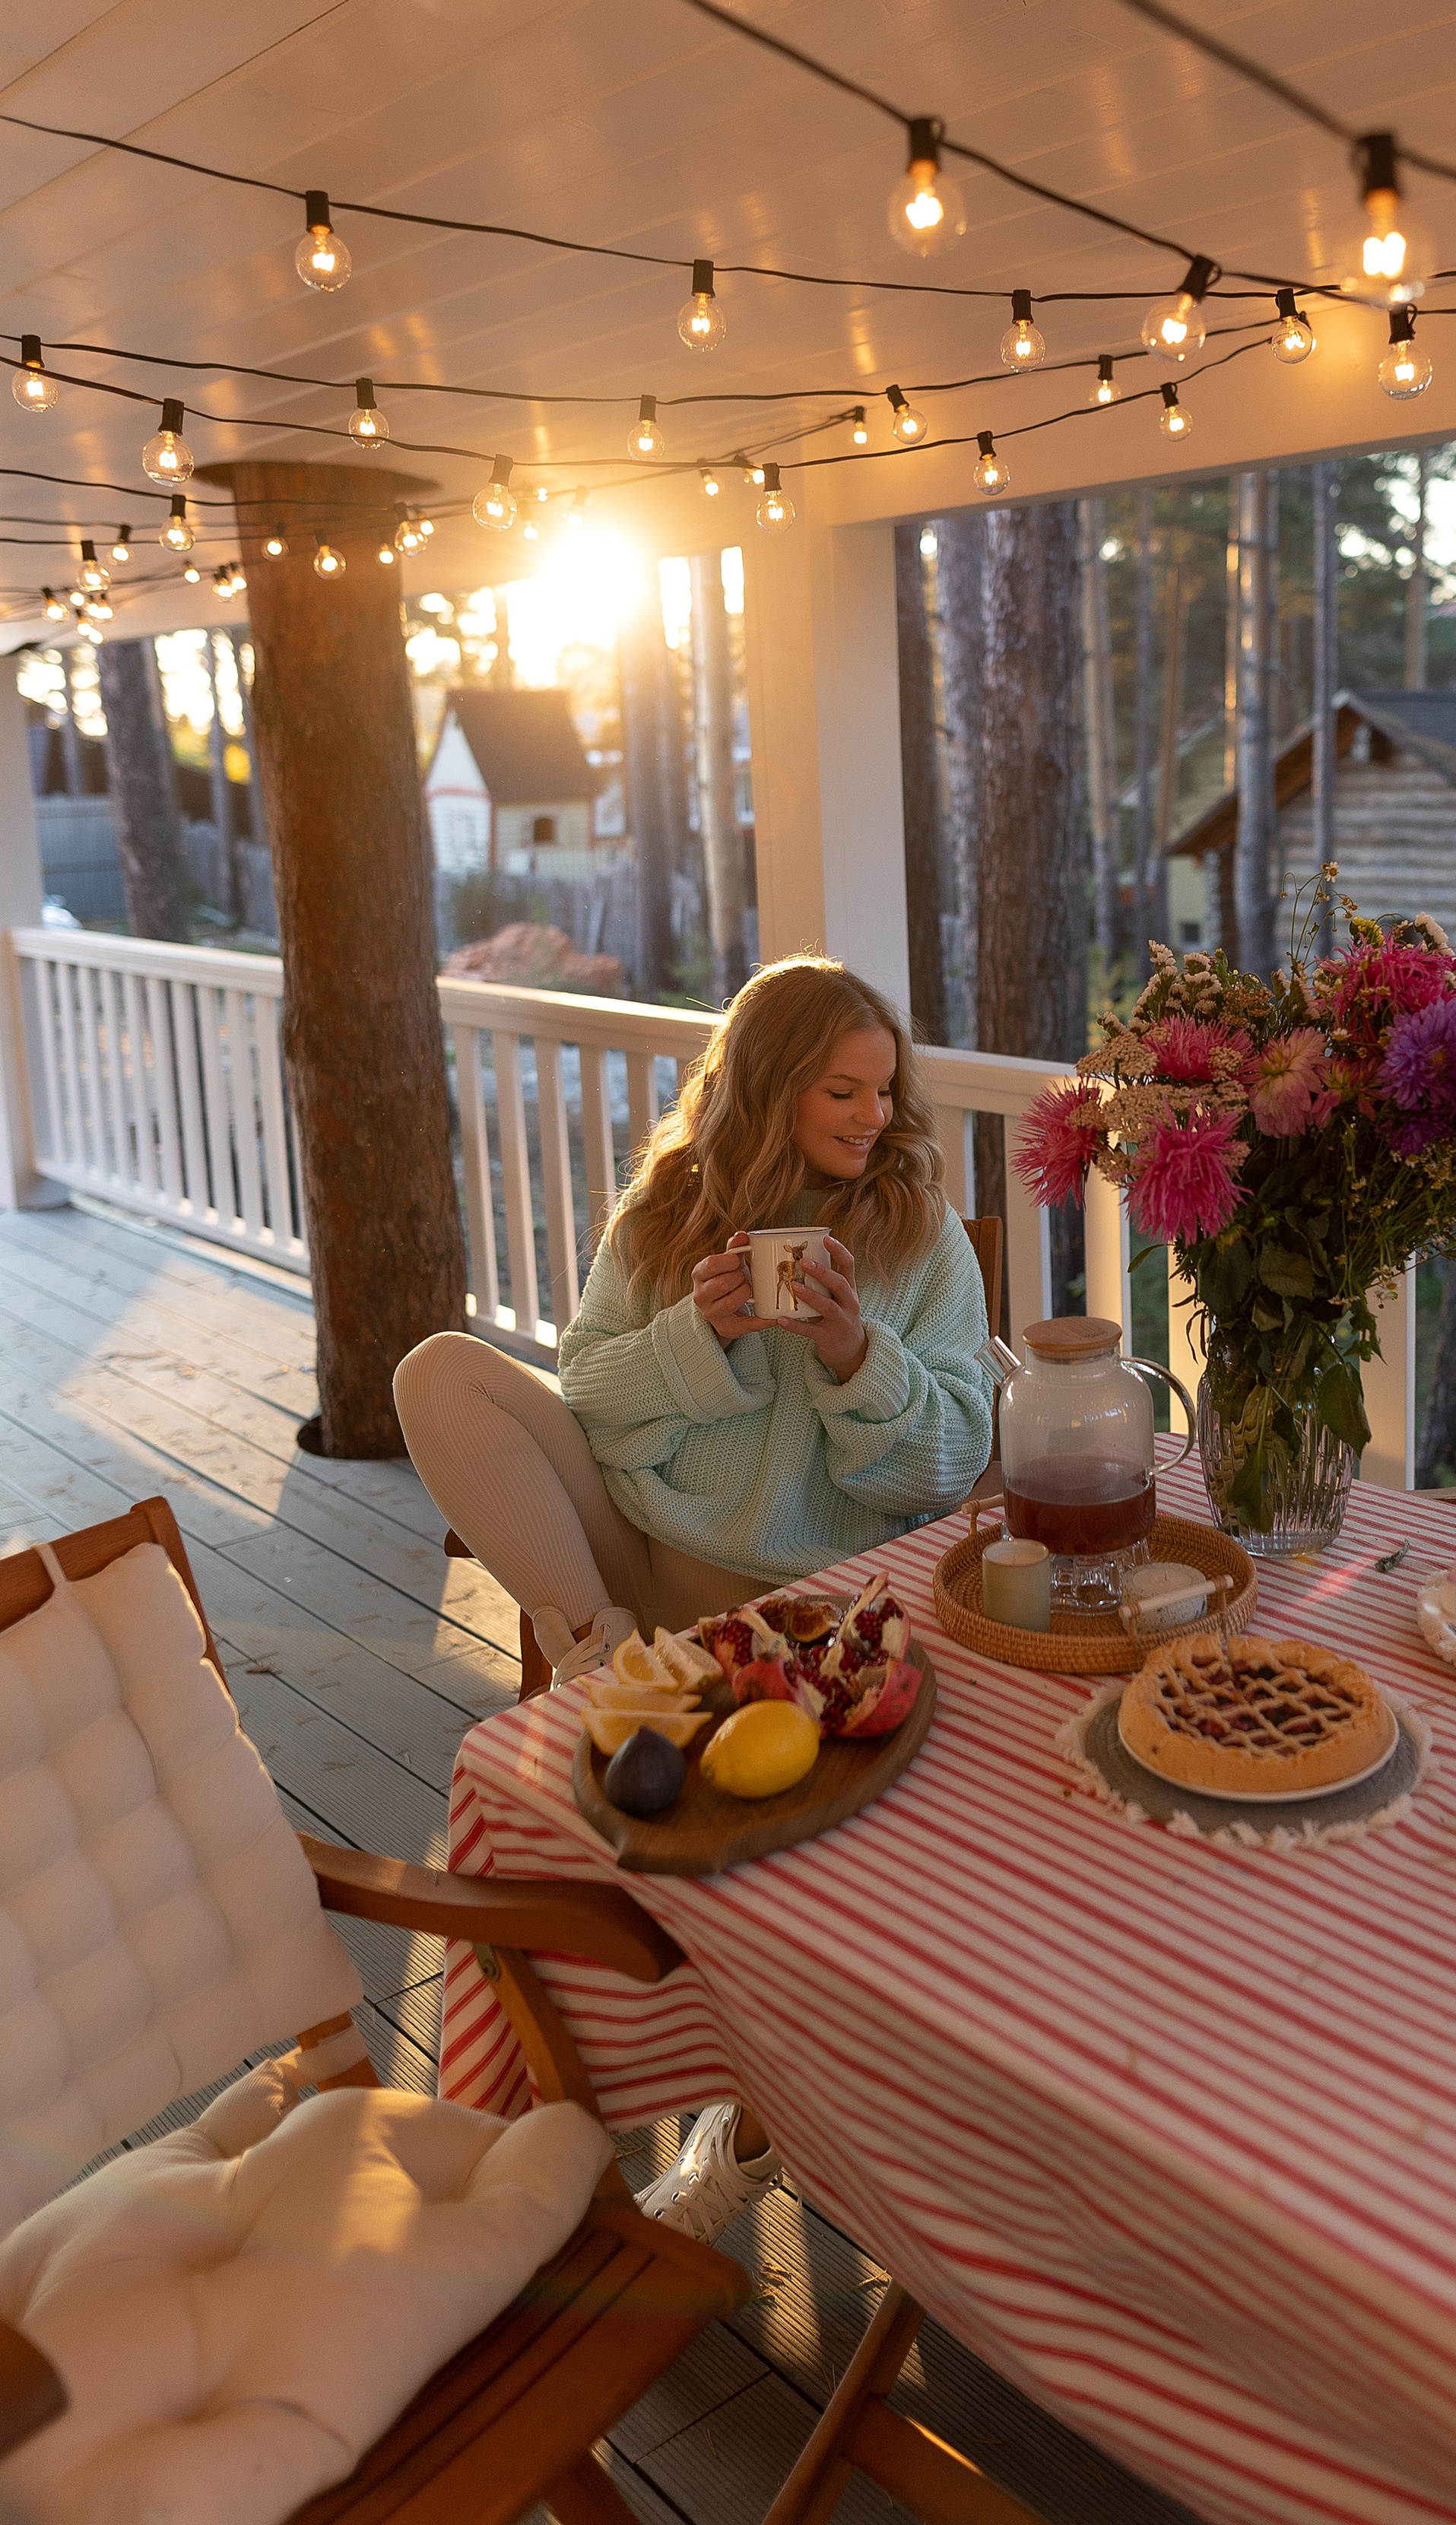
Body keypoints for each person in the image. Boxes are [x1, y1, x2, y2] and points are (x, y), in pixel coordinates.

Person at [393, 956, 996, 2241]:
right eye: (842, 1089)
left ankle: (757, 2113)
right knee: (441, 1373)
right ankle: (607, 1661)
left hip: (815, 1611)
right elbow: (590, 1390)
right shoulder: (665, 1213)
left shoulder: (919, 1234)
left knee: (815, 1857)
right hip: (642, 1566)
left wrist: (849, 1348)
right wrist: (699, 1338)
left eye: (884, 1092)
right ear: (770, 1086)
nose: (873, 1117)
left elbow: (954, 1457)